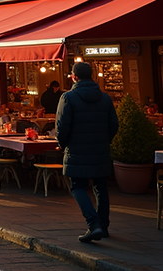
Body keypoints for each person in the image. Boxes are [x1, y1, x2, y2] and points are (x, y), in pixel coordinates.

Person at [56, 61, 119, 243]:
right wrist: (105, 140)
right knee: (100, 187)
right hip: (100, 149)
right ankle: (103, 226)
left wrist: (63, 145)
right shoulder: (105, 98)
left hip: (77, 149)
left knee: (77, 186)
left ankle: (93, 223)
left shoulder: (68, 97)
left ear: (74, 77)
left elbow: (62, 126)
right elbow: (114, 125)